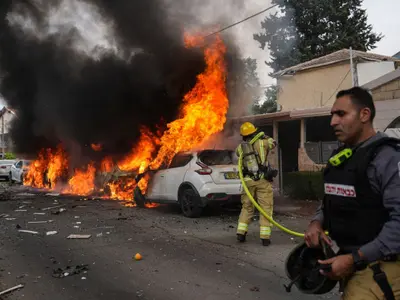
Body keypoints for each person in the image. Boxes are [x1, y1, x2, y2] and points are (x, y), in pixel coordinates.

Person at [304, 87, 400, 299]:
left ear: (364, 115)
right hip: (355, 263)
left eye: (341, 114)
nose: (333, 122)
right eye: (332, 115)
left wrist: (354, 259)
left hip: (384, 269)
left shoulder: (387, 158)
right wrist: (316, 223)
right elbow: (333, 198)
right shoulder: (344, 156)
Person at [236, 122, 277, 246]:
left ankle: (241, 233)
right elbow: (273, 143)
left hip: (248, 181)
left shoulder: (240, 148)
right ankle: (265, 237)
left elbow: (238, 154)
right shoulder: (263, 142)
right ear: (254, 132)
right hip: (262, 180)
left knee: (247, 207)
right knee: (265, 207)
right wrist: (264, 136)